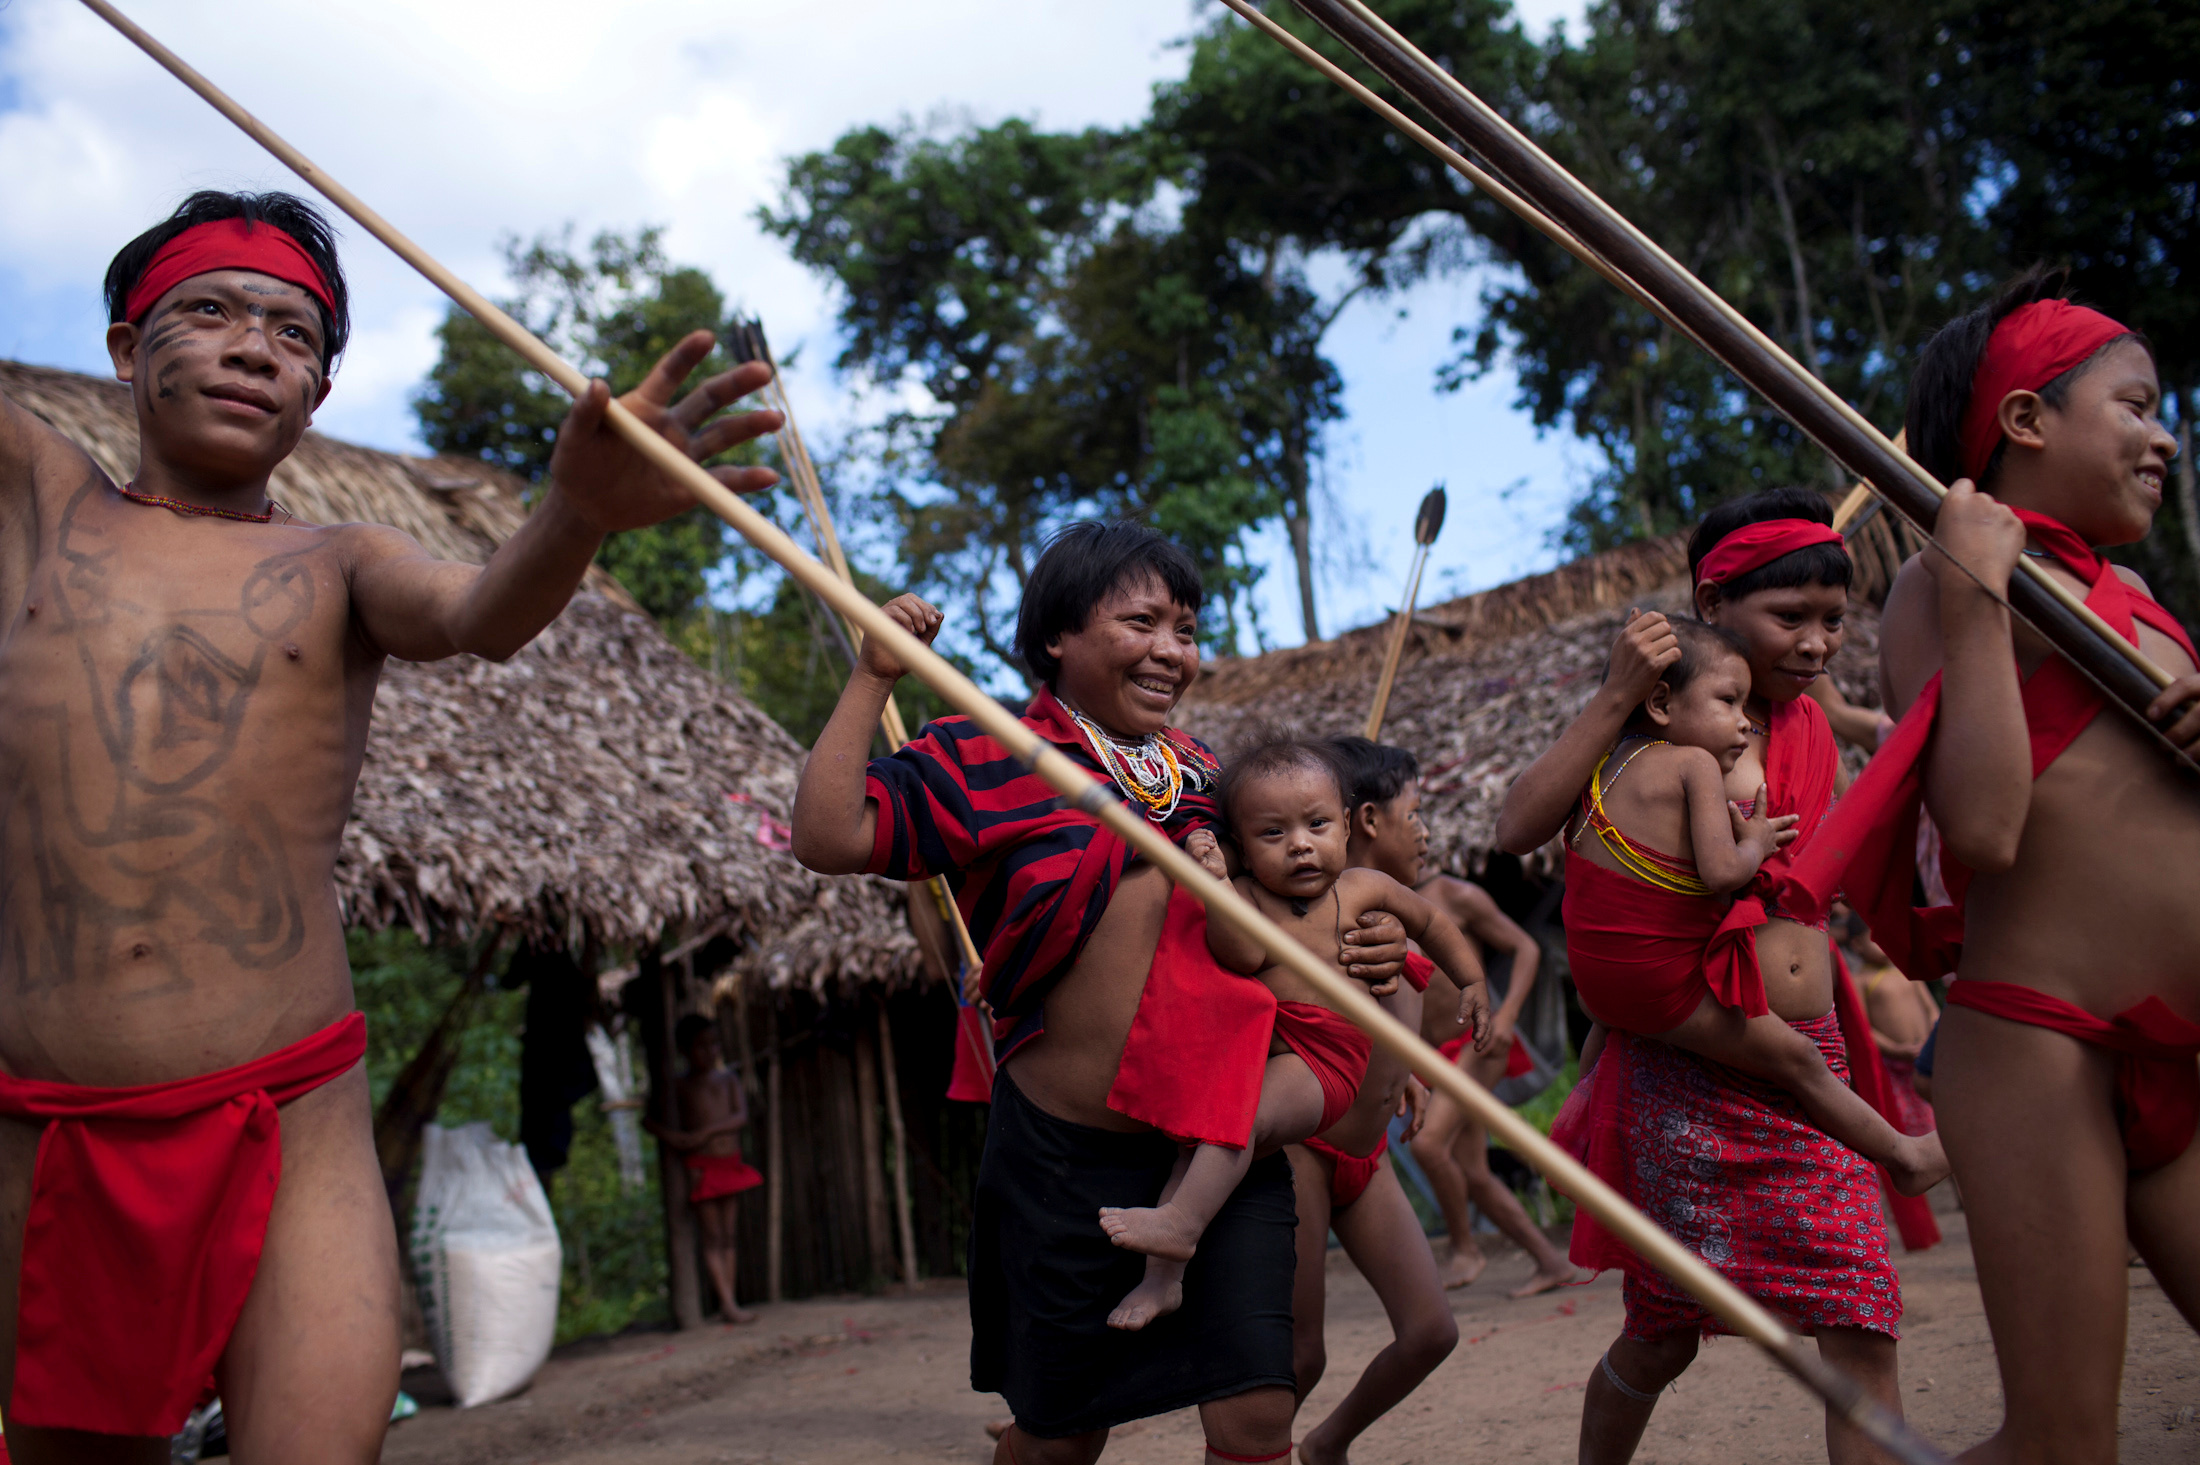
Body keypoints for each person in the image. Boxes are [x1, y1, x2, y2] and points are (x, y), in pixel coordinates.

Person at [0, 191, 785, 1459]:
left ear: (316, 395)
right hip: (50, 1127)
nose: (257, 346)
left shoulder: (344, 560)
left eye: (296, 335)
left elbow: (481, 612)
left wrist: (575, 511)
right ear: (122, 343)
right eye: (210, 311)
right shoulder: (37, 506)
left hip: (289, 1109)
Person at [790, 522, 1415, 1465]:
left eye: (1188, 629)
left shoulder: (1214, 780)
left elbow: (1303, 910)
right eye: (1142, 622)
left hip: (1218, 1145)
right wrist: (875, 672)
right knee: (1059, 1436)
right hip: (1066, 1162)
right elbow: (828, 835)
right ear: (1057, 637)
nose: (1172, 649)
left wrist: (1369, 937)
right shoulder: (985, 752)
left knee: (1256, 1418)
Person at [1788, 268, 2200, 1461]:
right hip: (2039, 1044)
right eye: (2132, 405)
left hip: (2180, 1044)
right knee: (2064, 1442)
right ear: (2025, 421)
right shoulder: (1938, 584)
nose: (2161, 434)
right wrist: (1973, 598)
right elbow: (1981, 831)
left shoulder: (2139, 601)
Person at [1498, 487, 1913, 1465]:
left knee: (1860, 1314)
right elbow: (1516, 828)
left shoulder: (1810, 725)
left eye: (1832, 620)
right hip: (1682, 1064)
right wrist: (1610, 694)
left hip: (1804, 1066)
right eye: (1789, 618)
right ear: (1711, 603)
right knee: (1662, 1325)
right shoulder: (1653, 733)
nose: (1815, 642)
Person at [1098, 739, 1490, 1333]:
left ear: (1345, 825)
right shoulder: (1250, 897)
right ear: (1244, 849)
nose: (1301, 844)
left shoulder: (1363, 888)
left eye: (1317, 824)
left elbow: (1431, 922)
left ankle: (1181, 1225)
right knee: (1197, 1142)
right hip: (1268, 1052)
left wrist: (1472, 979)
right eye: (1273, 834)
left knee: (1240, 1122)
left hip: (1323, 1063)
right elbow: (1243, 951)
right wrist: (1216, 888)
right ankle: (1161, 1280)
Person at [1553, 619, 1946, 1191]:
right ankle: (1905, 1159)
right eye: (1729, 701)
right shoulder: (1694, 765)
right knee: (1800, 1062)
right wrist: (1757, 844)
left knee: (1612, 1034)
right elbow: (1721, 873)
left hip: (1599, 982)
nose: (1744, 720)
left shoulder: (1603, 765)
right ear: (1661, 702)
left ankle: (1575, 1152)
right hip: (1656, 981)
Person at [1325, 739, 1581, 1298]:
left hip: (1477, 1044)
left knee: (1427, 1146)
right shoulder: (1360, 909)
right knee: (1473, 1170)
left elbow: (1527, 949)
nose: (1422, 832)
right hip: (1430, 1057)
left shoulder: (1450, 898)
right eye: (1412, 816)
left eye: (1420, 816)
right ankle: (1548, 1260)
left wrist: (1507, 1012)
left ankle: (1465, 1248)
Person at [1284, 736, 1479, 1465]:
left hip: (1368, 1152)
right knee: (1301, 1355)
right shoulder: (1312, 911)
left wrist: (1403, 1071)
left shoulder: (1392, 908)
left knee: (1431, 1330)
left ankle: (1326, 1443)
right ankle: (1246, 1449)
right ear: (1365, 818)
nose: (1423, 830)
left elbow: (1374, 1017)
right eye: (1413, 813)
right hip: (1306, 1148)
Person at [645, 1015, 762, 1325]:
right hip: (702, 1167)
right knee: (712, 1237)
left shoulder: (729, 1080)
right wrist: (678, 1140)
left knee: (728, 1235)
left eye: (714, 1045)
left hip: (730, 1163)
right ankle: (727, 1303)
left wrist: (704, 1134)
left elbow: (740, 1116)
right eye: (701, 1047)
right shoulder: (678, 1086)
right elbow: (649, 1120)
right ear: (685, 1050)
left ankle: (731, 1300)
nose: (709, 1052)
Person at [1845, 918, 1938, 1138]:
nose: (1886, 943)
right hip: (1894, 1067)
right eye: (1876, 939)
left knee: (1941, 1116)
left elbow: (1931, 1009)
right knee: (1907, 1124)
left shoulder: (1905, 969)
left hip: (1928, 1058)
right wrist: (1896, 1050)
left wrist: (1931, 1040)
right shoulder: (1860, 980)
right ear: (1858, 945)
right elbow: (1862, 1028)